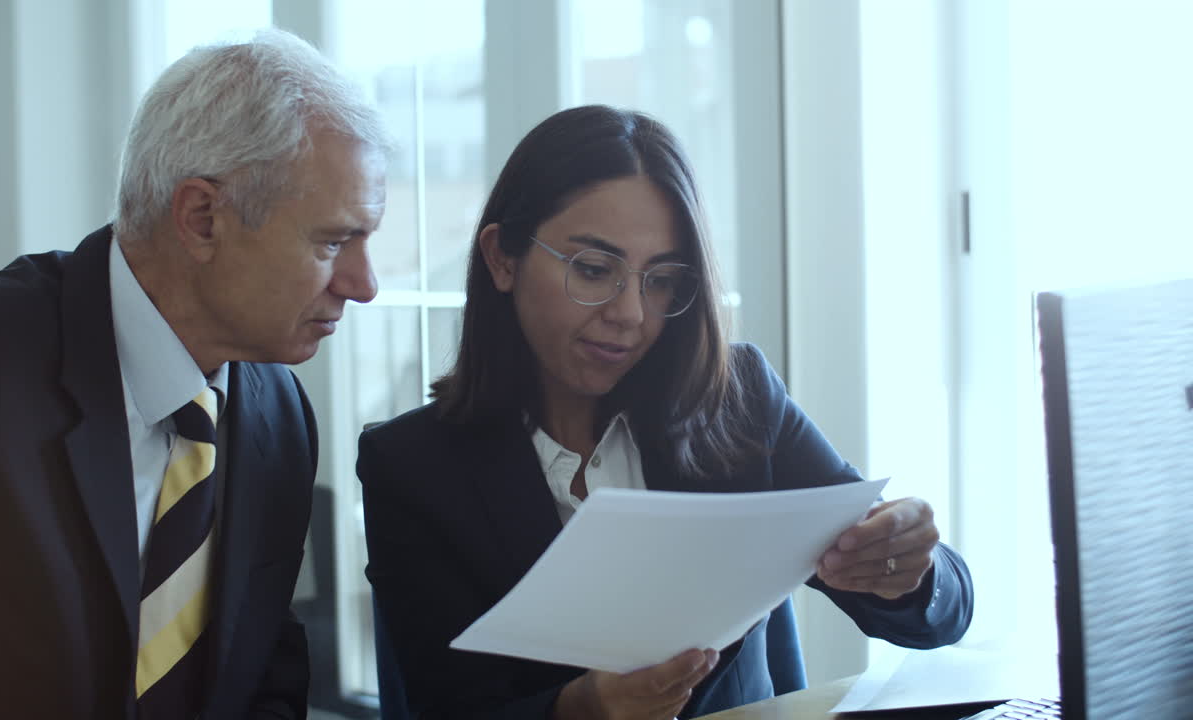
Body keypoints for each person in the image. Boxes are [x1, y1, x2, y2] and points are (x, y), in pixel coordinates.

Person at [358, 105, 973, 720]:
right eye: (595, 270)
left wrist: (907, 567)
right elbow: (439, 707)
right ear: (502, 258)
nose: (631, 314)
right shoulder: (413, 467)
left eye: (662, 281)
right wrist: (578, 710)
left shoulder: (738, 402)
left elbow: (938, 619)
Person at [0, 29, 389, 719]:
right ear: (201, 219)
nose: (364, 284)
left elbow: (264, 679)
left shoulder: (280, 414)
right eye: (333, 240)